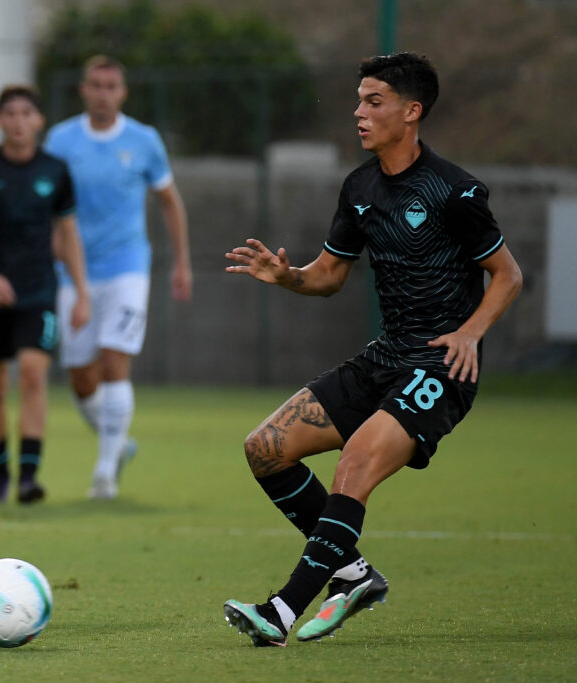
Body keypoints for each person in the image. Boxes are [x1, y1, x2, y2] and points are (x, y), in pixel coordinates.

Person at [221, 52, 522, 646]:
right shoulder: (359, 187)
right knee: (266, 448)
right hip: (386, 356)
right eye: (358, 100)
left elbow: (508, 275)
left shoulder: (455, 190)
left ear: (412, 112)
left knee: (354, 463)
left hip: (441, 365)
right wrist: (287, 276)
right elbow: (329, 275)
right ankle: (354, 573)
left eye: (374, 101)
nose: (359, 112)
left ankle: (281, 612)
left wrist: (470, 332)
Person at [45, 55, 192, 500]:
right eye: (96, 85)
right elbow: (47, 204)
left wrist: (182, 262)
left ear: (123, 93)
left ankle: (105, 473)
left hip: (128, 267)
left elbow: (169, 201)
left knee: (114, 361)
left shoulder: (144, 141)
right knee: (80, 377)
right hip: (74, 273)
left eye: (111, 87)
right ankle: (119, 443)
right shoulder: (61, 140)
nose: (103, 94)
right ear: (83, 90)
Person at [0, 85, 90, 504]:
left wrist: (82, 292)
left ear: (39, 120)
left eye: (26, 113)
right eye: (10, 114)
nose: (18, 122)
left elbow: (68, 234)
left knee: (33, 376)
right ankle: (0, 474)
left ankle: (29, 478)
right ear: (0, 121)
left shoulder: (56, 170)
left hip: (39, 292)